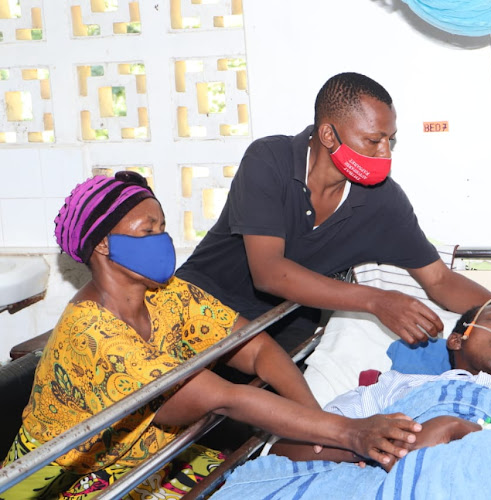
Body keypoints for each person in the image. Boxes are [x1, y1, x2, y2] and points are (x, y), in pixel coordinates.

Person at [0, 172, 421, 499]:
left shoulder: (167, 295)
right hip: (67, 483)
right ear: (104, 247)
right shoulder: (92, 338)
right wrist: (349, 432)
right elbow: (227, 397)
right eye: (147, 231)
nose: (162, 240)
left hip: (149, 464)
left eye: (162, 227)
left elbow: (257, 349)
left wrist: (319, 428)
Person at [175, 72, 491, 353]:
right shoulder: (271, 160)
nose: (384, 154)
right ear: (329, 134)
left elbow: (439, 280)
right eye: (372, 141)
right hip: (192, 310)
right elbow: (269, 271)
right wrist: (376, 300)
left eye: (391, 142)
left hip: (279, 334)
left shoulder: (382, 201)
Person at [268, 297, 491, 470]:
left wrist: (456, 429)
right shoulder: (391, 387)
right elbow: (288, 450)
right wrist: (370, 450)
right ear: (456, 340)